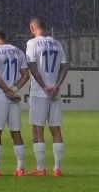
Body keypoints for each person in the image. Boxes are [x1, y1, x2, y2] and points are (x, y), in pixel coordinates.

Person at [0, 29, 31, 176]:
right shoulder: (18, 51)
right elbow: (25, 75)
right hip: (13, 97)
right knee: (16, 133)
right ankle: (20, 169)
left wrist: (6, 91)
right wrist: (14, 89)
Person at [23, 16, 67, 175]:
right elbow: (64, 66)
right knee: (56, 130)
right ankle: (58, 168)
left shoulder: (32, 43)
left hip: (39, 93)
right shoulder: (56, 43)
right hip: (54, 93)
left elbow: (32, 66)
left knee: (38, 130)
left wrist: (44, 86)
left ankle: (41, 169)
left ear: (32, 28)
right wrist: (56, 85)